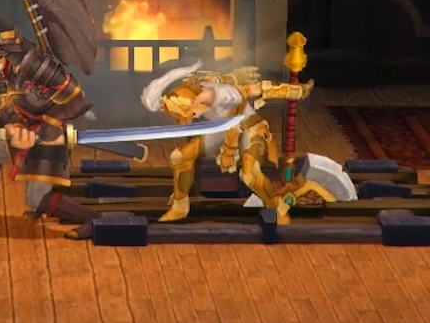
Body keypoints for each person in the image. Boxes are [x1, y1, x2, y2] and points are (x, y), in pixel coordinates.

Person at [140, 58, 353, 223]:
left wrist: (293, 91)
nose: (190, 118)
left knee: (250, 174)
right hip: (222, 127)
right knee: (181, 157)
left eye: (191, 114)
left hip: (248, 125)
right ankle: (180, 206)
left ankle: (278, 209)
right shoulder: (184, 94)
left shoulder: (224, 94)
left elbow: (256, 89)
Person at [0, 15, 98, 239]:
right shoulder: (0, 69)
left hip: (50, 136)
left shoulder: (38, 64)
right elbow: (0, 105)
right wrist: (13, 127)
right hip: (26, 132)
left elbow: (76, 98)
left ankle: (94, 220)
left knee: (36, 199)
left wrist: (49, 126)